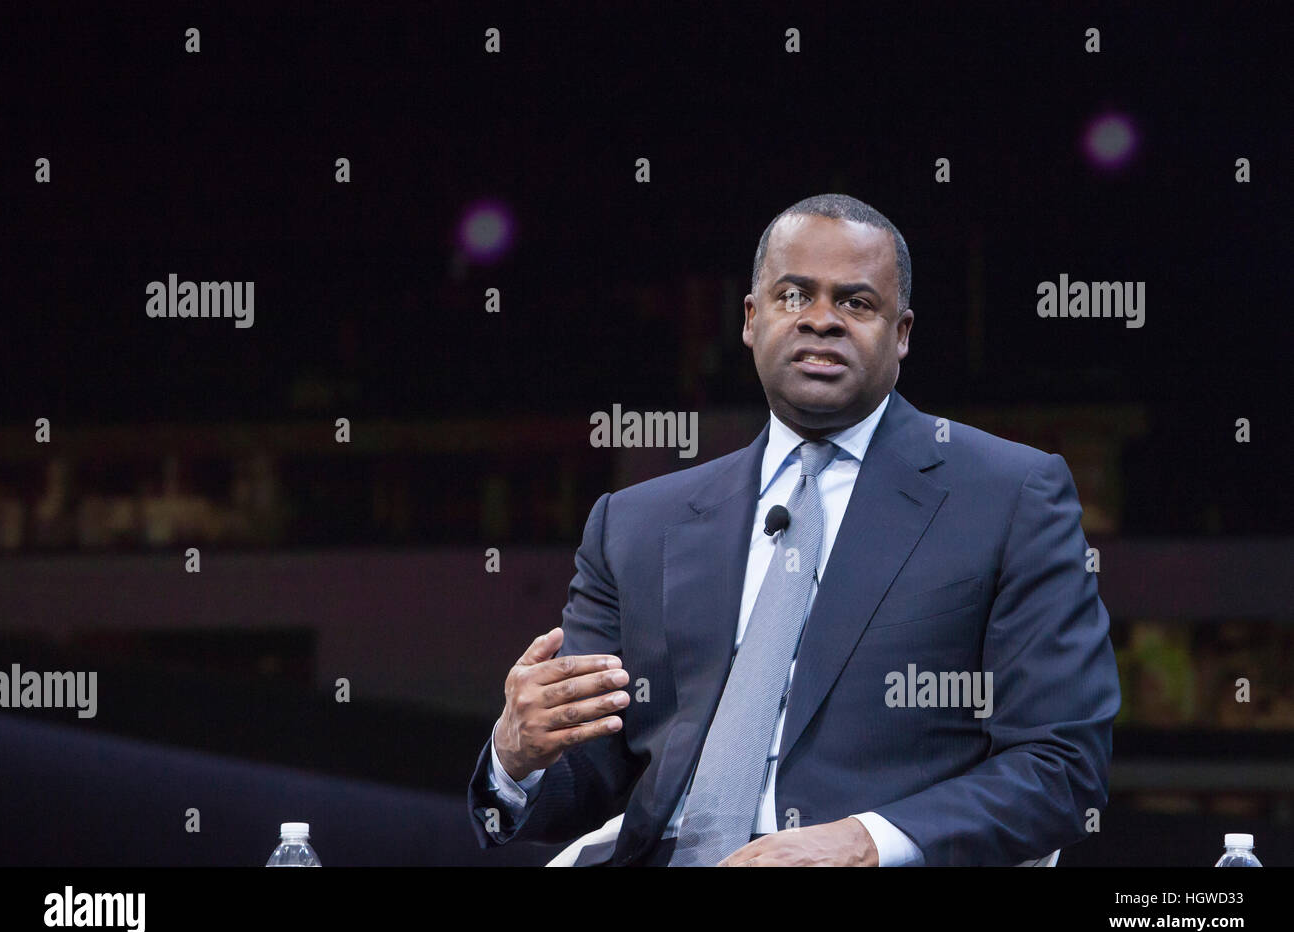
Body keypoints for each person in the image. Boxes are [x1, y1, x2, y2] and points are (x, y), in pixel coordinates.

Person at [466, 193, 1121, 866]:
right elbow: (583, 780)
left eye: (856, 303)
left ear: (902, 333)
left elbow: (1062, 766)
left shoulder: (1008, 496)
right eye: (794, 295)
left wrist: (864, 842)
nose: (821, 321)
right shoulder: (633, 524)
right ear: (752, 319)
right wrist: (516, 759)